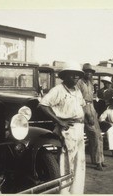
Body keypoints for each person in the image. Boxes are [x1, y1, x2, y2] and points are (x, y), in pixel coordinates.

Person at [38, 62, 86, 194]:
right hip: (68, 129)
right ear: (65, 76)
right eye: (73, 75)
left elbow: (81, 107)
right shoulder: (58, 90)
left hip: (79, 128)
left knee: (79, 161)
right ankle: (64, 192)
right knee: (66, 161)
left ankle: (76, 191)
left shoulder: (77, 90)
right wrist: (59, 121)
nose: (76, 77)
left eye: (78, 75)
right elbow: (43, 105)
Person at [77, 63, 105, 171]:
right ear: (83, 72)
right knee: (93, 135)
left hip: (91, 108)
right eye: (87, 71)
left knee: (99, 136)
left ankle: (99, 160)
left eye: (90, 72)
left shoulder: (90, 83)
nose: (89, 74)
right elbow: (79, 100)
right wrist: (88, 115)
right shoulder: (79, 83)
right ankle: (98, 162)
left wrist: (94, 113)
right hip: (83, 109)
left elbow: (91, 99)